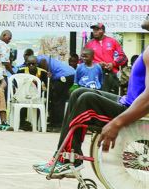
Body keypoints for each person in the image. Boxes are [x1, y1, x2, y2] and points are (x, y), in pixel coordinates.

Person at [35, 16, 149, 178]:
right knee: (78, 93)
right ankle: (64, 158)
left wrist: (117, 123)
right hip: (127, 101)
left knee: (86, 99)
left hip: (133, 108)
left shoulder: (115, 43)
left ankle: (69, 161)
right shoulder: (91, 44)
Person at [85, 23, 126, 95]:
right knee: (97, 99)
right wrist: (96, 64)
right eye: (94, 30)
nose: (95, 31)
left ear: (104, 31)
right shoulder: (89, 44)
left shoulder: (113, 42)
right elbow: (82, 60)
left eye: (98, 29)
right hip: (96, 76)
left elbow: (123, 57)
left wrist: (113, 64)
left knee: (112, 99)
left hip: (112, 75)